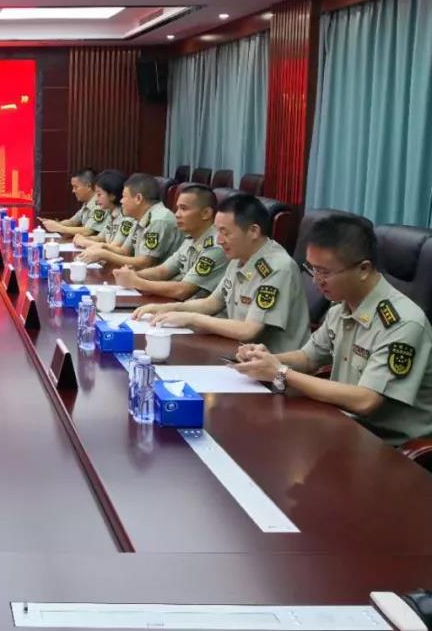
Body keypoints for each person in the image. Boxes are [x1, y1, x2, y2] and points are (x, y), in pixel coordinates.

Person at [232, 214, 432, 445]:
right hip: (343, 426)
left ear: (363, 269)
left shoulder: (403, 323)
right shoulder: (341, 307)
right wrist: (264, 360)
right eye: (312, 269)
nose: (316, 280)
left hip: (389, 447)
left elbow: (366, 401)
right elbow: (308, 357)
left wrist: (282, 373)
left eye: (324, 272)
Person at [133, 193, 310, 353]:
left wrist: (192, 318)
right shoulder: (239, 257)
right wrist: (164, 309)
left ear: (253, 231)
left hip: (275, 367)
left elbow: (248, 330)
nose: (219, 240)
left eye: (225, 232)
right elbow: (211, 303)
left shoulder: (277, 268)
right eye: (218, 231)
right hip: (239, 352)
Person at [113, 184, 226, 299]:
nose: (177, 214)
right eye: (177, 208)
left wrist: (136, 282)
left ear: (206, 213)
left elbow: (183, 290)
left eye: (184, 209)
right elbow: (163, 271)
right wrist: (133, 275)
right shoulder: (191, 237)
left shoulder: (216, 246)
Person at [80, 173, 182, 269]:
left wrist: (104, 254)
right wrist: (102, 247)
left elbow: (145, 262)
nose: (121, 201)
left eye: (124, 196)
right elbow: (124, 251)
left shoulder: (159, 220)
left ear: (138, 198)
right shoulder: (140, 216)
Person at [73, 170, 128, 248]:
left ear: (112, 196)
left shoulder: (125, 217)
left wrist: (86, 243)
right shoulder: (111, 213)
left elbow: (115, 247)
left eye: (99, 194)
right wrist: (85, 239)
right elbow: (100, 237)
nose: (96, 199)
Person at [39, 168, 98, 237]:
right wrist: (54, 223)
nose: (73, 191)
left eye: (76, 187)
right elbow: (72, 222)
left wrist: (59, 228)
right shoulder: (87, 203)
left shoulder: (100, 204)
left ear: (89, 186)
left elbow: (88, 231)